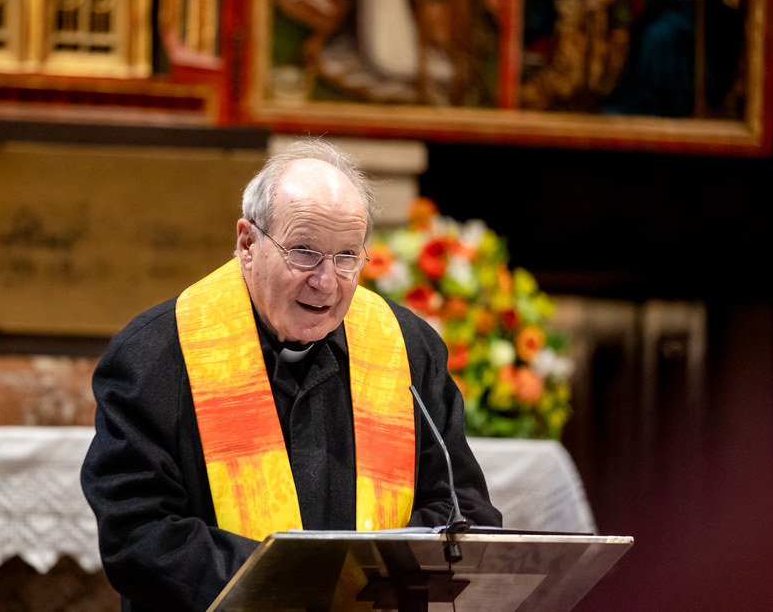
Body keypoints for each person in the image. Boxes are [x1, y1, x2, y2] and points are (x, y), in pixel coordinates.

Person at [81, 138, 502, 612]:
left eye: (347, 256)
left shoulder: (409, 349)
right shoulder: (156, 355)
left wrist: (367, 584)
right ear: (247, 244)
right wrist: (305, 588)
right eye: (303, 251)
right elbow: (138, 535)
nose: (326, 281)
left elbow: (462, 511)